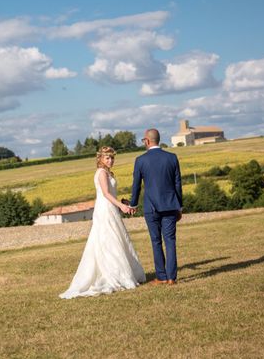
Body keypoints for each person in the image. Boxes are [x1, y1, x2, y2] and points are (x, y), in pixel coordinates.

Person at [59, 146, 146, 299]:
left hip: (110, 208)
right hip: (105, 210)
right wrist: (121, 206)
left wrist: (121, 202)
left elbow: (110, 194)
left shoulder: (108, 173)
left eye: (112, 158)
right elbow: (105, 193)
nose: (110, 160)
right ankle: (113, 275)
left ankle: (121, 272)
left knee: (116, 239)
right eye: (107, 158)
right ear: (100, 159)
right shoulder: (101, 173)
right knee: (108, 241)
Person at [130, 128, 183, 285]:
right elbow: (177, 184)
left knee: (156, 241)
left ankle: (161, 276)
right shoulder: (172, 157)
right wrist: (179, 206)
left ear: (147, 140)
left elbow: (136, 186)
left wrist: (133, 204)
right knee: (170, 241)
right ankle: (172, 278)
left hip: (151, 207)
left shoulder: (140, 160)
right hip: (171, 206)